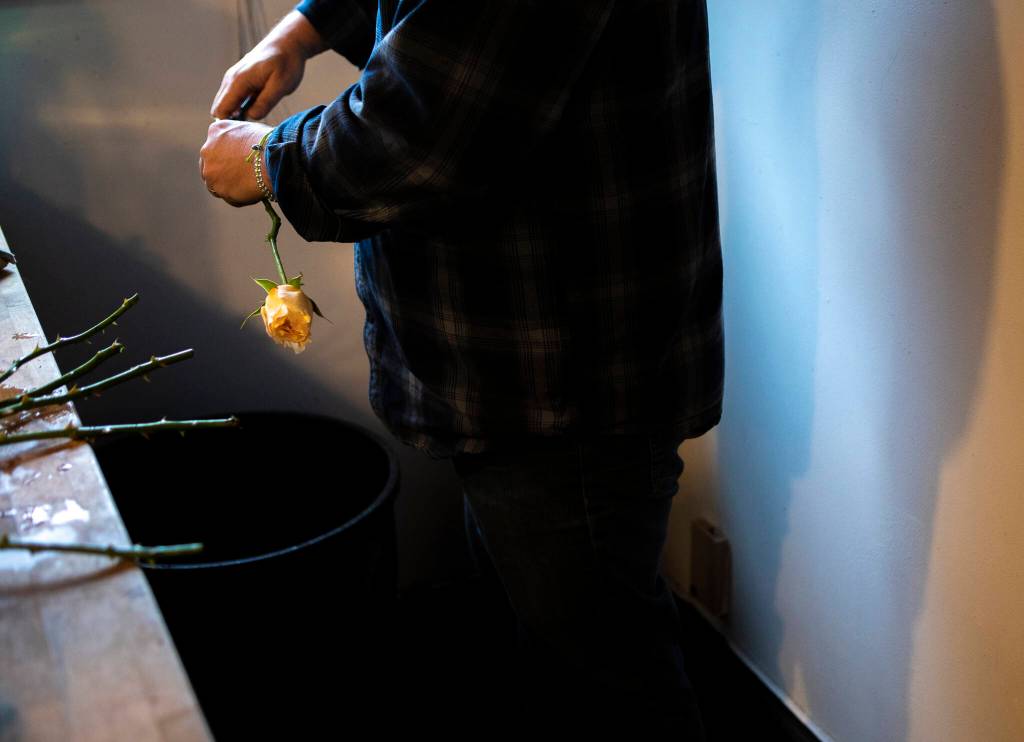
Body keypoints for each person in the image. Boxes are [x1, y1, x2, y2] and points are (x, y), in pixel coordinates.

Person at [200, 0, 723, 736]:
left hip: (563, 379)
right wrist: (302, 31)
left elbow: (420, 130)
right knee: (558, 645)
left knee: (606, 677)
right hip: (525, 370)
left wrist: (267, 159)